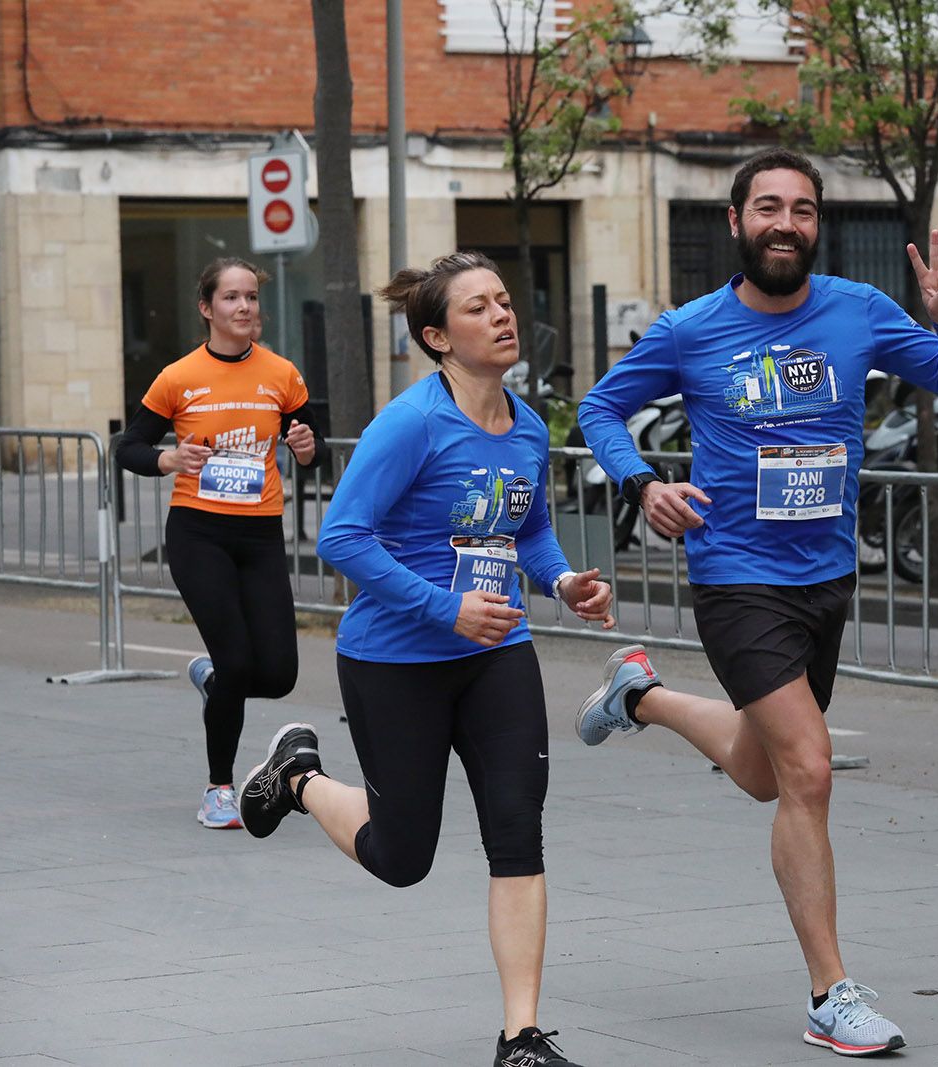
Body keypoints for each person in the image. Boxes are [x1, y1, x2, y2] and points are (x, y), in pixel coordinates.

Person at [573, 147, 938, 1057]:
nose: (785, 224)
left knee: (764, 772)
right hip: (735, 577)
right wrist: (644, 484)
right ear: (736, 222)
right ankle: (829, 992)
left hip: (824, 578)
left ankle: (638, 694)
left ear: (816, 227)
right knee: (807, 768)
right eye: (768, 207)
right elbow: (599, 409)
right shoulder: (690, 330)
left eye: (802, 210)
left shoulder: (861, 310)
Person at [235, 251, 613, 1067]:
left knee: (518, 831)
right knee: (402, 858)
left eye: (506, 301)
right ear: (438, 336)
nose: (503, 316)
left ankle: (521, 1038)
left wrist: (562, 580)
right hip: (395, 661)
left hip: (498, 653)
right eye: (479, 309)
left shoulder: (526, 423)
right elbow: (342, 536)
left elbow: (529, 529)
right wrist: (446, 607)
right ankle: (298, 776)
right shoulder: (410, 423)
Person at [116, 257, 323, 829]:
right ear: (208, 308)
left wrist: (305, 446)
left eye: (252, 297)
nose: (245, 308)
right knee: (237, 660)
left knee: (278, 674)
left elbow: (313, 446)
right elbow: (127, 446)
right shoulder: (178, 377)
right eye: (232, 298)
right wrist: (168, 458)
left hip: (259, 533)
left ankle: (213, 679)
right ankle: (218, 790)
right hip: (197, 532)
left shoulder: (281, 374)